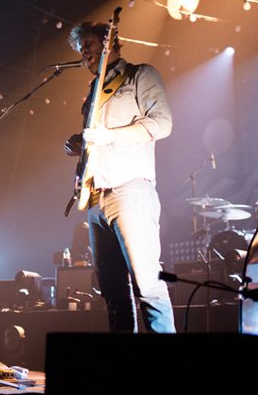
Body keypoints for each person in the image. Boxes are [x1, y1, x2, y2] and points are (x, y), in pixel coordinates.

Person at [63, 21, 175, 333]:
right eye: (80, 48)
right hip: (96, 200)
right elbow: (96, 141)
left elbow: (163, 123)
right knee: (113, 295)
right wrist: (79, 144)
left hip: (130, 191)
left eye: (88, 43)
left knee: (147, 285)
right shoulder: (93, 90)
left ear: (108, 41)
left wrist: (109, 136)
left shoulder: (140, 74)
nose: (83, 51)